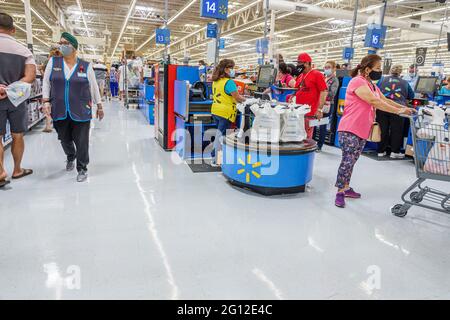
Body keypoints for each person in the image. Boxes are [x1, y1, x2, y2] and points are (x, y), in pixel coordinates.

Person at [334, 54, 415, 208]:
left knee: (352, 161)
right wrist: (398, 112)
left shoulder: (371, 85)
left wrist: (404, 108)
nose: (379, 72)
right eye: (377, 68)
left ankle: (346, 187)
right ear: (367, 69)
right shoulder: (357, 81)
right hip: (350, 128)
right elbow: (374, 101)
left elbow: (385, 100)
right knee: (348, 161)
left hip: (362, 129)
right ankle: (340, 192)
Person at [42, 32, 104, 182]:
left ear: (74, 47)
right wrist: (45, 101)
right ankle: (71, 155)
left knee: (82, 141)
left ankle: (82, 167)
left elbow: (94, 86)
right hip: (59, 108)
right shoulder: (53, 62)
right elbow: (46, 82)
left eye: (65, 43)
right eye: (60, 43)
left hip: (81, 109)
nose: (62, 46)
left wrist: (99, 106)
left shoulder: (85, 66)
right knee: (64, 139)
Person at [0, 12, 36, 187]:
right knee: (17, 135)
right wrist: (9, 90)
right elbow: (30, 76)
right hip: (17, 99)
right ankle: (17, 169)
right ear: (13, 30)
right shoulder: (23, 50)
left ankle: (0, 172)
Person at [210, 59, 246, 166]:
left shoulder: (216, 80)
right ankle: (216, 159)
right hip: (225, 112)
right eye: (231, 68)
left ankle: (218, 157)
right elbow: (237, 97)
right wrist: (248, 100)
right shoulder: (229, 82)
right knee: (221, 136)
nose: (232, 70)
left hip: (216, 110)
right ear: (226, 69)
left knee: (219, 134)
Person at [377, 65, 415, 159]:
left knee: (382, 129)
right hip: (398, 109)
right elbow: (411, 95)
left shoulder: (382, 80)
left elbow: (376, 91)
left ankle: (381, 151)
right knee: (396, 130)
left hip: (383, 106)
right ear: (400, 72)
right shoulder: (405, 82)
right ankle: (394, 152)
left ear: (390, 71)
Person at [288, 52, 328, 139]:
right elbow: (297, 89)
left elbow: (324, 91)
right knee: (298, 135)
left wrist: (320, 109)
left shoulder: (317, 75)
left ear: (306, 63)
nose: (298, 65)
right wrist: (292, 96)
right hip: (299, 112)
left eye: (299, 63)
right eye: (297, 63)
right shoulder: (300, 75)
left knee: (306, 137)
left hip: (310, 112)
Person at [316, 60, 339, 152]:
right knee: (314, 123)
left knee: (322, 125)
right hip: (319, 103)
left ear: (334, 69)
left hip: (327, 105)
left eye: (329, 67)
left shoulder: (335, 80)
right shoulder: (323, 78)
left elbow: (332, 94)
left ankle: (319, 145)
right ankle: (313, 143)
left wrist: (321, 92)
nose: (326, 69)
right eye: (325, 67)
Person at [40, 45, 62, 133]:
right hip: (58, 87)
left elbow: (44, 74)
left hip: (49, 86)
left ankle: (48, 125)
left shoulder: (48, 60)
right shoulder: (61, 60)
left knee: (47, 104)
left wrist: (42, 73)